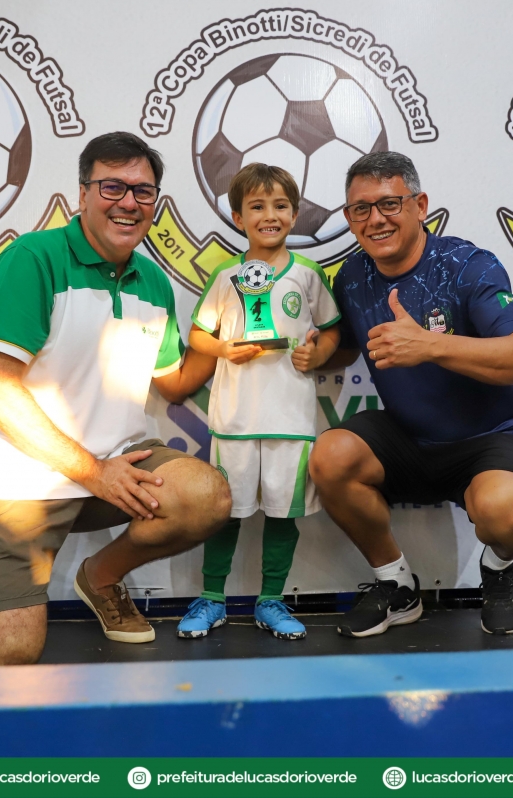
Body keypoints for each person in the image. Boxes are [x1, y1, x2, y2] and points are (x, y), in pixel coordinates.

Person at [0, 132, 230, 665]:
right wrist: (96, 472)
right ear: (82, 193)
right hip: (22, 480)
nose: (129, 202)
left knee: (207, 496)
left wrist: (225, 336)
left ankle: (101, 577)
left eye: (143, 191)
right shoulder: (32, 259)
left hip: (112, 471)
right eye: (112, 187)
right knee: (9, 656)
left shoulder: (154, 282)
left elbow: (174, 382)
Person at [311, 151, 513, 638]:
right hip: (406, 437)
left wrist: (431, 346)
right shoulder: (352, 276)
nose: (375, 219)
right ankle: (396, 585)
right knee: (330, 456)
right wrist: (313, 349)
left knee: (511, 517)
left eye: (389, 203)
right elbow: (348, 347)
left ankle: (499, 568)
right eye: (360, 209)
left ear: (420, 206)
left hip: (486, 437)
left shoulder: (467, 265)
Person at [175, 164, 341, 641]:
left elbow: (332, 331)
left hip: (291, 420)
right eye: (257, 207)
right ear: (238, 217)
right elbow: (198, 335)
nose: (270, 216)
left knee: (284, 514)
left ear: (295, 213)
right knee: (224, 512)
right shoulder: (226, 275)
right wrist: (224, 349)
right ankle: (212, 598)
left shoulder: (308, 274)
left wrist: (317, 355)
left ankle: (271, 600)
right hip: (235, 420)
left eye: (280, 206)